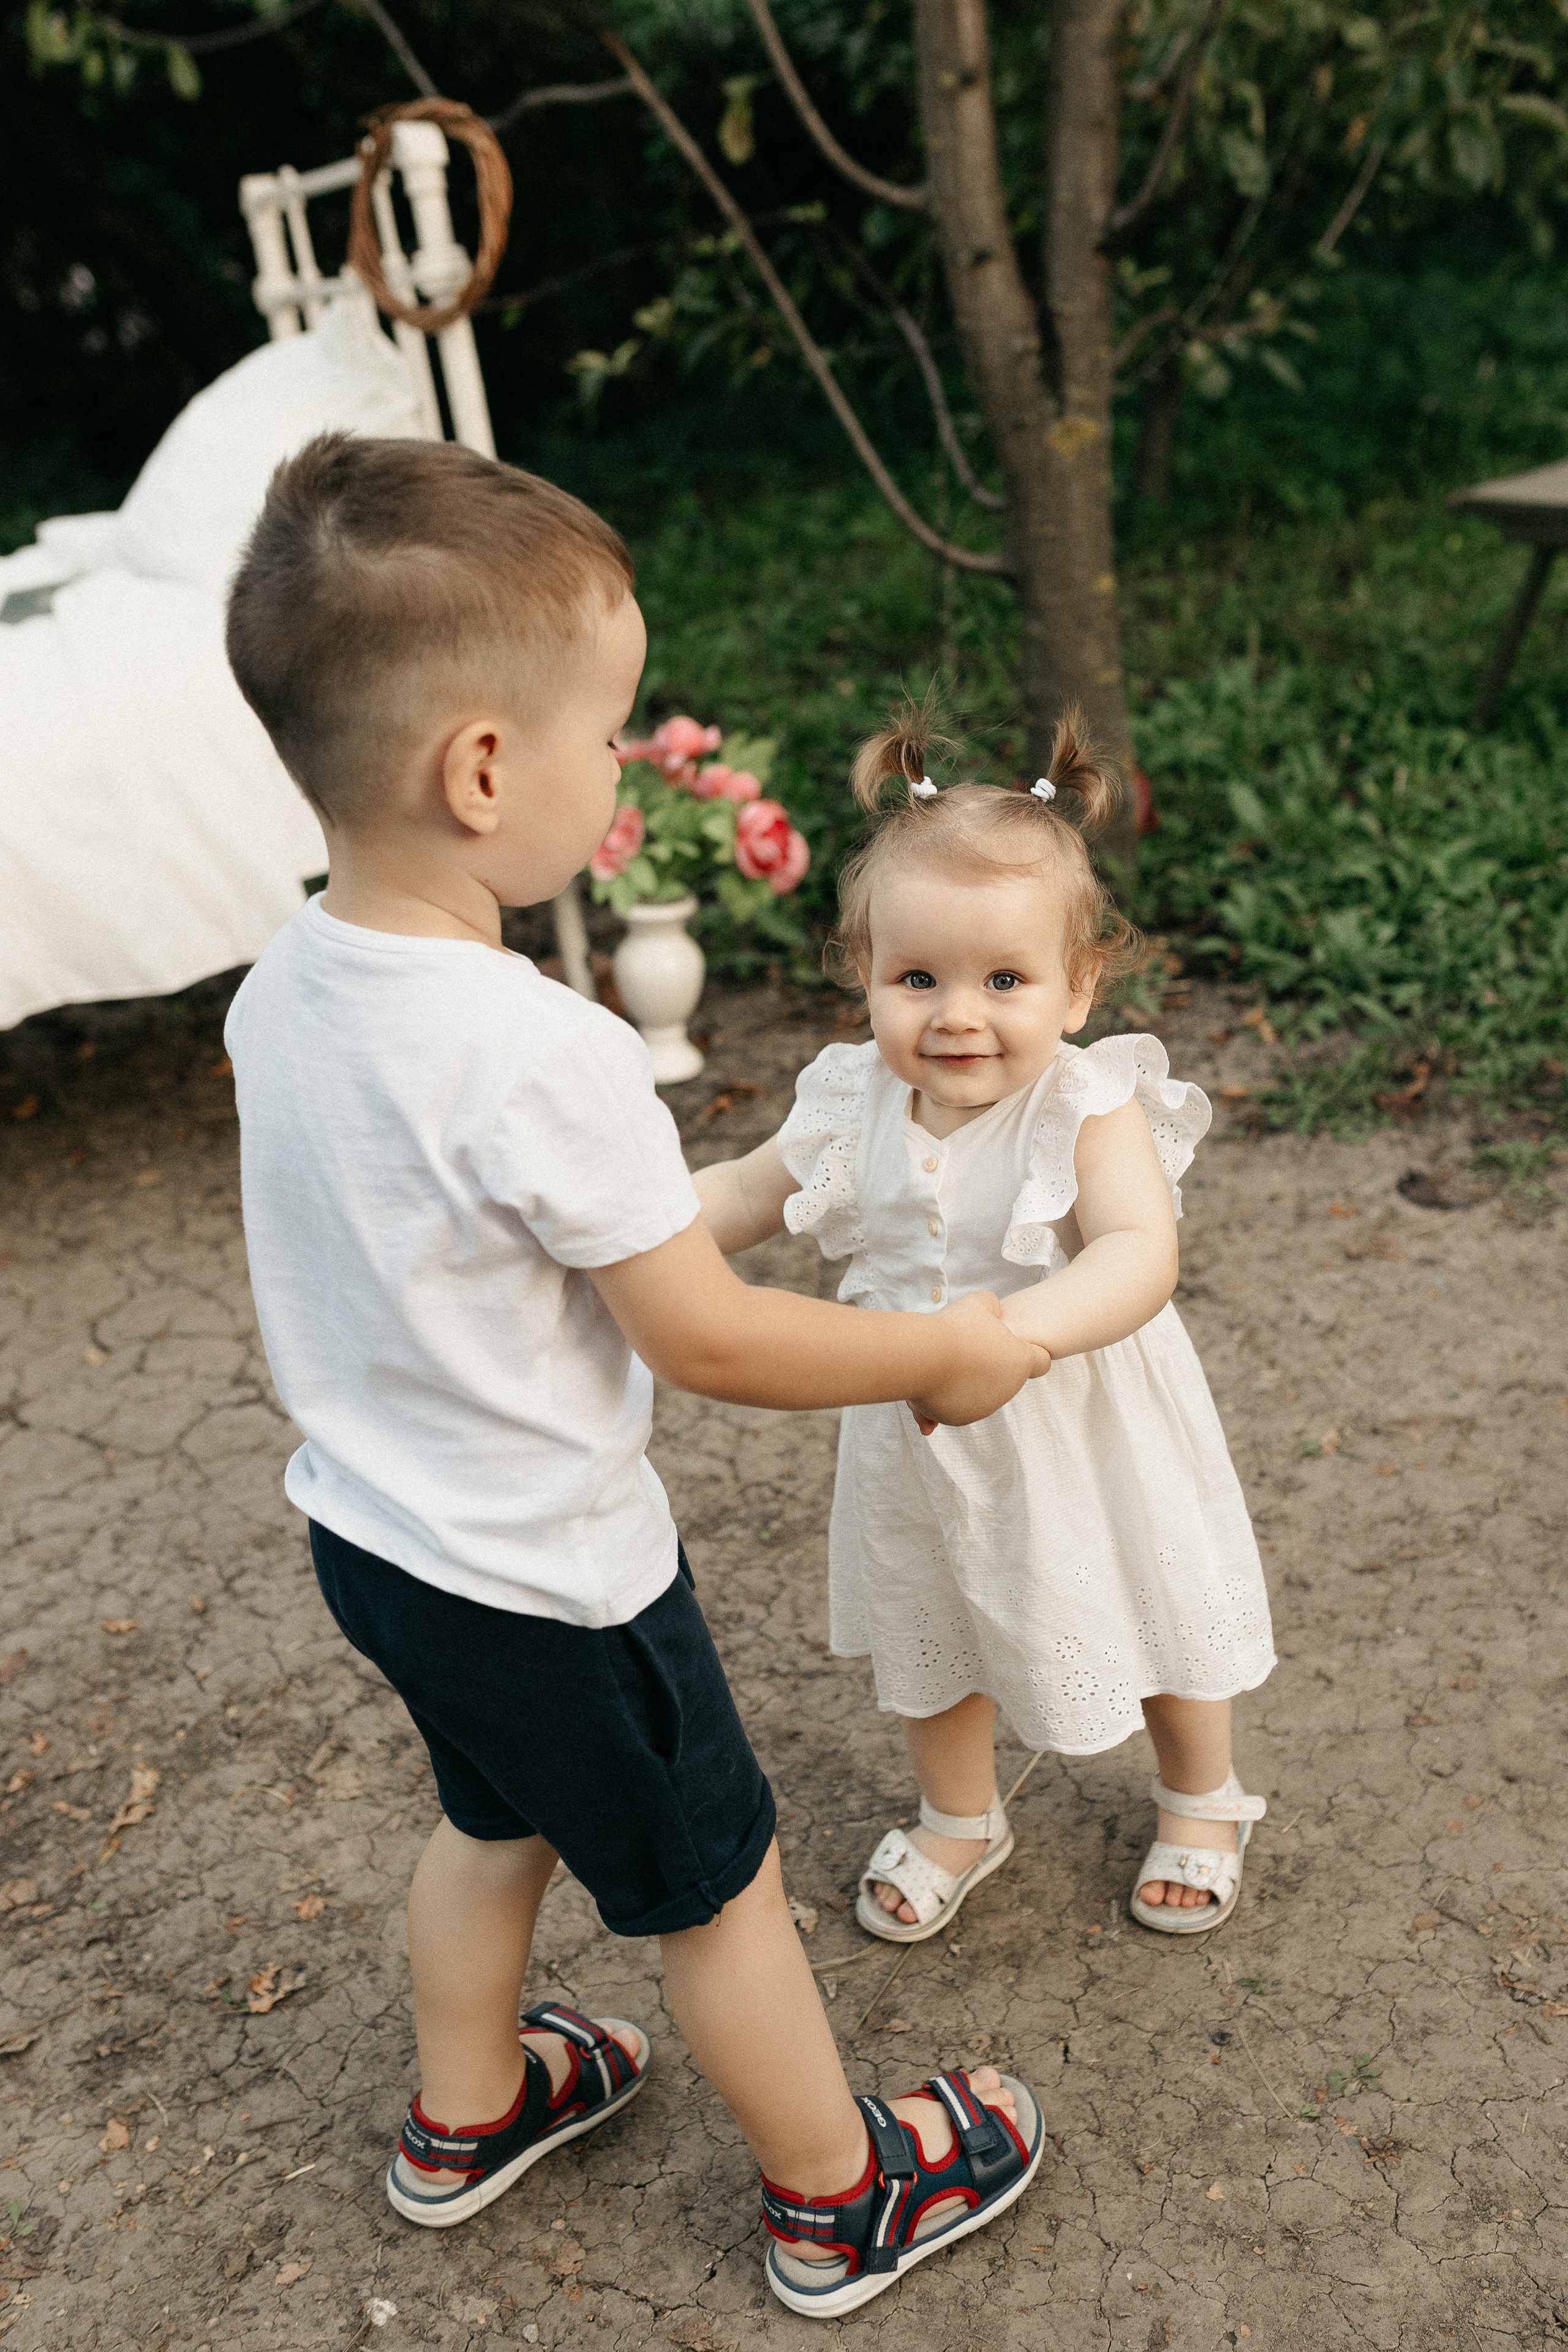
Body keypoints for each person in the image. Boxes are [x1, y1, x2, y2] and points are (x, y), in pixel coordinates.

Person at [221, 435, 1049, 2320]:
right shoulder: (542, 1045)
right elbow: (705, 1335)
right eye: (611, 730)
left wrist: (743, 1191)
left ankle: (469, 2107)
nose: (626, 761)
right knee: (711, 1882)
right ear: (486, 771)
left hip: (382, 1546)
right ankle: (843, 2193)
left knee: (493, 1814)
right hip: (558, 1577)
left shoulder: (286, 984)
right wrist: (944, 1350)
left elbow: (494, 1241)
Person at [695, 703, 1277, 1949]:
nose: (956, 1015)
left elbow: (1134, 1252)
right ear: (863, 976)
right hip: (909, 1431)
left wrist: (1022, 1339)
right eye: (916, 979)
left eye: (1003, 980)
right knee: (931, 1622)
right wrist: (630, 1231)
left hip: (1078, 1420)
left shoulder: (1087, 1104)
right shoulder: (850, 1101)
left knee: (1150, 1598)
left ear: (1076, 987)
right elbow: (749, 1191)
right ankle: (958, 1813)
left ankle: (1198, 1796)